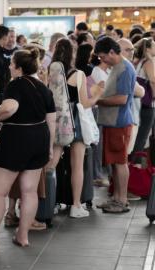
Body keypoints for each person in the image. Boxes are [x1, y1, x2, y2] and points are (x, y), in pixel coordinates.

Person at [0, 49, 56, 248]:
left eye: (11, 64)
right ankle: (23, 235)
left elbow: (9, 107)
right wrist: (49, 147)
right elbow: (52, 121)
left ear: (18, 67)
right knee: (29, 191)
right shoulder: (43, 87)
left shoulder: (15, 85)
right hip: (39, 139)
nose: (9, 67)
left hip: (16, 140)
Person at [47, 38, 104, 218]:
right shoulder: (78, 74)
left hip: (56, 120)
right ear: (73, 53)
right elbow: (85, 103)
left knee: (51, 164)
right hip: (75, 120)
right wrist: (96, 95)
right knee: (77, 164)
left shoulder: (51, 71)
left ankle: (47, 202)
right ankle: (76, 205)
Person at [95, 37, 137, 214]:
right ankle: (117, 197)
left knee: (120, 162)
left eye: (103, 56)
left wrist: (99, 100)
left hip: (119, 122)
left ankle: (121, 200)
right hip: (112, 122)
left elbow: (122, 99)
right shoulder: (117, 67)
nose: (102, 60)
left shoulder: (125, 69)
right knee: (114, 162)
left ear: (112, 52)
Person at [133, 38, 155, 153]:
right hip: (147, 102)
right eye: (154, 46)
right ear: (148, 48)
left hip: (138, 101)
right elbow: (152, 81)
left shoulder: (138, 61)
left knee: (139, 134)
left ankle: (134, 163)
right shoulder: (149, 62)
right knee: (143, 136)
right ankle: (135, 165)